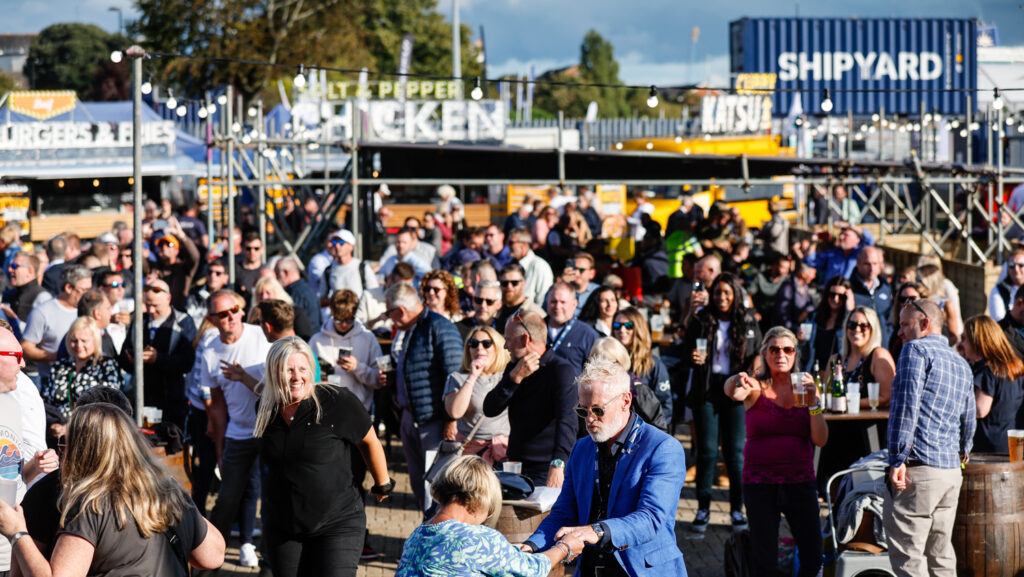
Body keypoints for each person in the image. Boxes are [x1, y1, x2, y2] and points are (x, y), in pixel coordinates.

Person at [0, 403, 225, 576]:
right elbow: (213, 556)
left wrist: (18, 533)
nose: (62, 452)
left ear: (82, 450)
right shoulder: (168, 490)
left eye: (66, 443)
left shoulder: (90, 505)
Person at [522, 357, 687, 576]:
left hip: (642, 569)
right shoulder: (581, 448)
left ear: (626, 401)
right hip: (591, 568)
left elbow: (651, 518)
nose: (589, 419)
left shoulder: (663, 448)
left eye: (598, 410)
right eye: (583, 411)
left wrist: (596, 530)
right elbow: (564, 512)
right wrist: (530, 546)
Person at [253, 337, 392, 577]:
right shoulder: (265, 409)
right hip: (283, 525)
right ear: (274, 372)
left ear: (312, 370)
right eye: (288, 370)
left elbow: (369, 441)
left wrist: (383, 484)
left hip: (337, 522)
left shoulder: (337, 401)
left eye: (302, 369)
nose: (297, 376)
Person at [724, 327, 827, 577]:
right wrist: (737, 379)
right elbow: (732, 392)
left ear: (795, 355)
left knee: (813, 555)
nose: (781, 354)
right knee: (764, 560)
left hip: (800, 480)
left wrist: (814, 404)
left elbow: (821, 439)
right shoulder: (755, 387)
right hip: (761, 482)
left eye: (787, 349)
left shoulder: (805, 389)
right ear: (765, 355)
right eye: (774, 349)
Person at [885, 298, 975, 577]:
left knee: (909, 558)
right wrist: (962, 455)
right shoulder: (961, 363)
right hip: (950, 471)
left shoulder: (915, 350)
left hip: (919, 469)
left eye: (904, 324)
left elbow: (905, 406)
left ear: (925, 324)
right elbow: (969, 421)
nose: (899, 332)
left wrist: (897, 458)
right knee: (941, 555)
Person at [397, 455, 581, 576]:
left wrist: (511, 551)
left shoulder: (417, 536)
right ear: (479, 500)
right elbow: (531, 570)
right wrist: (564, 547)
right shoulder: (478, 539)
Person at [199, 289, 272, 569]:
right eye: (222, 313)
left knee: (269, 495)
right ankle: (208, 558)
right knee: (227, 498)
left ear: (242, 310)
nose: (230, 316)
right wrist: (220, 448)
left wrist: (244, 376)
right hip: (237, 434)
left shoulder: (260, 336)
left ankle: (262, 553)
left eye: (234, 309)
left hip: (268, 431)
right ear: (212, 319)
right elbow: (216, 405)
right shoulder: (210, 352)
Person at [684, 272, 762, 532]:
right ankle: (703, 508)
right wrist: (692, 356)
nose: (722, 298)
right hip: (707, 389)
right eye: (718, 292)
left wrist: (751, 374)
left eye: (727, 293)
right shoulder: (701, 319)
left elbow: (758, 355)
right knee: (706, 451)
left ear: (736, 294)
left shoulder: (748, 320)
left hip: (736, 390)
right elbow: (683, 349)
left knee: (735, 454)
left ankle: (737, 510)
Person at [383, 283, 463, 512]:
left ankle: (432, 536)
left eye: (390, 312)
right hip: (413, 418)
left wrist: (451, 419)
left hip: (434, 421)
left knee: (435, 489)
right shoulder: (414, 328)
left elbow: (454, 375)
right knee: (420, 485)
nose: (390, 319)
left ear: (401, 310)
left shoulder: (439, 327)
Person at [483, 311, 577, 488]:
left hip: (546, 468)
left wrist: (558, 464)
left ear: (525, 339)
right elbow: (490, 409)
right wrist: (513, 379)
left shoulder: (560, 370)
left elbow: (568, 421)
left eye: (509, 339)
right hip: (514, 464)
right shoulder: (515, 367)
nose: (505, 346)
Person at [118, 279, 196, 430]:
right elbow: (124, 355)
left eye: (156, 305)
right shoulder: (139, 322)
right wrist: (131, 360)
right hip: (142, 397)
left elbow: (187, 361)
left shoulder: (183, 322)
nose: (151, 310)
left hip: (172, 399)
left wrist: (158, 359)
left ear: (168, 299)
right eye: (148, 305)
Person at [444, 327, 511, 466]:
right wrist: (472, 376)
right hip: (471, 454)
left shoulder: (507, 376)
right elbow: (455, 412)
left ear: (497, 347)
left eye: (486, 344)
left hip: (503, 452)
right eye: (474, 343)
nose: (480, 348)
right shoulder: (457, 378)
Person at [957, 315, 1024, 454]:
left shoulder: (988, 370)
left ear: (977, 342)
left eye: (965, 339)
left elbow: (980, 409)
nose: (962, 344)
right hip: (1009, 446)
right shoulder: (1013, 367)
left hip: (986, 451)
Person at [309, 289, 383, 413]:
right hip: (327, 410)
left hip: (360, 410)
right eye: (339, 320)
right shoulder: (316, 340)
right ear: (332, 313)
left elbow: (378, 380)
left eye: (349, 320)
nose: (344, 324)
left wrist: (357, 367)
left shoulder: (368, 338)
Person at [22, 264, 92, 389]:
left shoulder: (87, 310)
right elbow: (26, 348)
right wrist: (58, 356)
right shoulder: (43, 312)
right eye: (84, 290)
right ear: (69, 287)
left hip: (86, 380)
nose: (88, 295)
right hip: (52, 382)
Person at [44, 317, 123, 419]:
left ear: (95, 341)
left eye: (84, 341)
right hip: (58, 429)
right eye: (74, 340)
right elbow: (46, 403)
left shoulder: (107, 366)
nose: (79, 345)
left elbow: (112, 406)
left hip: (91, 428)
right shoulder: (59, 367)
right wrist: (55, 424)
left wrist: (71, 426)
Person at [612, 307, 673, 428]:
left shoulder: (653, 364)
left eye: (628, 325)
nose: (622, 330)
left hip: (644, 432)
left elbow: (665, 407)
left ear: (638, 328)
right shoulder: (608, 361)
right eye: (617, 325)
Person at [544, 282, 599, 374]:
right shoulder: (535, 329)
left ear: (574, 304)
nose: (557, 306)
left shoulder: (587, 335)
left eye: (563, 302)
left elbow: (596, 373)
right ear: (547, 302)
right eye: (553, 301)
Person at [319, 230, 378, 304]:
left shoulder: (363, 268)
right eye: (334, 242)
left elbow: (375, 295)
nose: (337, 246)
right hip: (338, 315)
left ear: (351, 246)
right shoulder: (328, 270)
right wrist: (338, 302)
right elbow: (321, 300)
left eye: (341, 243)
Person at [803, 226, 874, 287]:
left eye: (846, 235)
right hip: (831, 294)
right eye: (840, 234)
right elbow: (810, 261)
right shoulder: (832, 254)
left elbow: (869, 240)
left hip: (852, 295)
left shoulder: (860, 253)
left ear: (857, 239)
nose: (841, 237)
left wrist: (850, 225)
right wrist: (813, 243)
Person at [355, 262, 414, 336]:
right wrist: (377, 320)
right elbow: (357, 326)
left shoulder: (410, 299)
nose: (402, 290)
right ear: (389, 278)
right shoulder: (368, 295)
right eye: (399, 286)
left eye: (407, 286)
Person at [1, 251, 51, 339]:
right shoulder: (8, 294)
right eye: (10, 266)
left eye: (14, 266)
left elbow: (44, 333)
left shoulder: (42, 296)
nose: (9, 270)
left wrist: (14, 319)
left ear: (30, 271)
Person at [150, 224, 201, 309]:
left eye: (168, 244)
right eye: (161, 245)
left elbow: (195, 257)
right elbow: (139, 261)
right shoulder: (154, 268)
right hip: (157, 311)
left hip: (179, 312)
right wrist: (141, 236)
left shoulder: (184, 267)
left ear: (176, 251)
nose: (164, 247)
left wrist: (182, 236)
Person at [850, 246, 894, 345]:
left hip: (882, 348)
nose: (871, 268)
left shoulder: (886, 288)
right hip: (858, 349)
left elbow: (889, 320)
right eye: (867, 264)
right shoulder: (848, 288)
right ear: (858, 263)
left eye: (875, 264)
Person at [808, 276, 854, 369]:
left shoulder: (849, 322)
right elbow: (805, 349)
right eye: (832, 294)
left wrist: (850, 310)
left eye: (841, 296)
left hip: (837, 373)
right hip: (814, 371)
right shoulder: (814, 317)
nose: (836, 299)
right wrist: (801, 341)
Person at [251, 275, 315, 341]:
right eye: (260, 294)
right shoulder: (253, 315)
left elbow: (306, 338)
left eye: (268, 293)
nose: (264, 297)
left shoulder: (294, 312)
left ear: (277, 292)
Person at [274, 256, 323, 333]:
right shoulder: (304, 290)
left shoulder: (298, 294)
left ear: (286, 272)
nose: (276, 278)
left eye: (277, 273)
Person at [508, 228, 553, 307]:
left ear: (524, 245)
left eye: (511, 243)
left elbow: (543, 301)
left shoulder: (539, 266)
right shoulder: (510, 265)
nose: (508, 246)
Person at [494, 263, 545, 331]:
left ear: (523, 283)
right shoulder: (494, 309)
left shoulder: (535, 313)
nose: (509, 286)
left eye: (514, 283)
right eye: (505, 283)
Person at [889, 281, 930, 363]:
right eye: (903, 299)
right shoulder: (896, 330)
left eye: (912, 298)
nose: (907, 303)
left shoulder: (933, 328)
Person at [989, 247, 1024, 321]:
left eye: (1021, 265)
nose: (1016, 269)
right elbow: (998, 319)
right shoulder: (999, 290)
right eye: (1011, 265)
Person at [234, 232, 264, 300]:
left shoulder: (266, 270)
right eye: (248, 248)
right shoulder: (235, 270)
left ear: (262, 249)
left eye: (256, 248)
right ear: (243, 249)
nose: (252, 252)